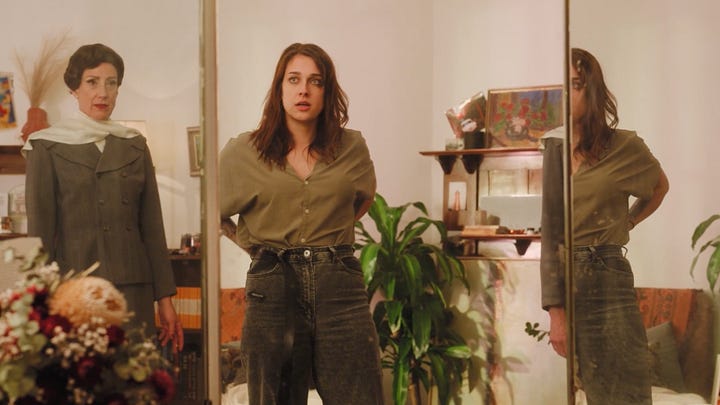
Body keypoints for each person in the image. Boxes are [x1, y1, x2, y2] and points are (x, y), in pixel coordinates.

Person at [219, 43, 383, 405]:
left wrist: (327, 231)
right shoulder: (243, 151)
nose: (303, 90)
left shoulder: (352, 146)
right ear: (279, 88)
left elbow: (363, 199)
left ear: (327, 91)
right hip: (272, 287)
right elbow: (212, 211)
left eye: (315, 81)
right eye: (294, 79)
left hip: (339, 287)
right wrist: (255, 249)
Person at [23, 43, 184, 352]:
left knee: (136, 376)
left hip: (134, 290)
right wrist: (39, 304)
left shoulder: (134, 144)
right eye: (92, 82)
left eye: (111, 83)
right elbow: (39, 237)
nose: (103, 93)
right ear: (74, 89)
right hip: (75, 290)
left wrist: (165, 300)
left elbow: (152, 229)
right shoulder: (45, 146)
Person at [540, 47, 670, 404]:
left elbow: (659, 187)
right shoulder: (554, 147)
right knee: (593, 389)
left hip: (610, 273)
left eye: (576, 84)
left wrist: (629, 220)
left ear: (592, 89)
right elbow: (550, 232)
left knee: (630, 389)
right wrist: (555, 313)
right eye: (561, 86)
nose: (568, 95)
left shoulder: (624, 146)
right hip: (571, 281)